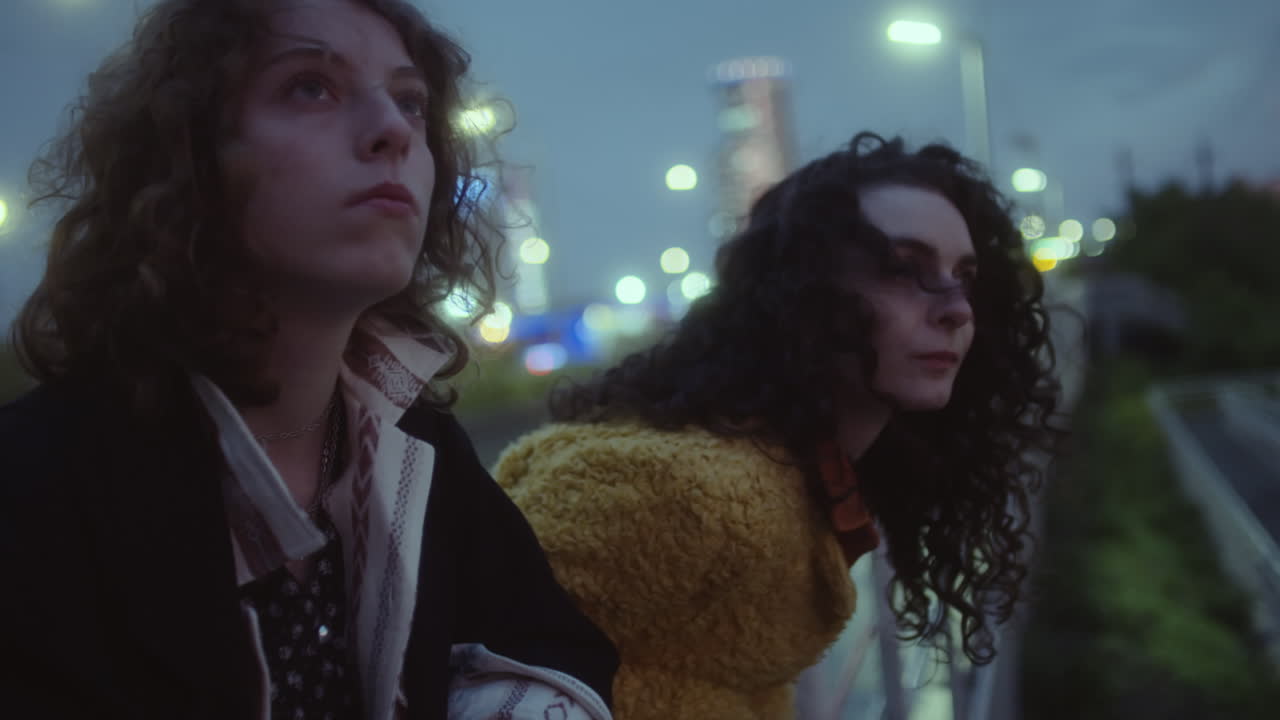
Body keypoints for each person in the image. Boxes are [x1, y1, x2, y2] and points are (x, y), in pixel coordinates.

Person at [0, 1, 617, 718]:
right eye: (310, 86)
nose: (393, 130)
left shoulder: (418, 450)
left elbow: (552, 646)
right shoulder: (37, 491)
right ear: (188, 154)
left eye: (411, 102)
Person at [494, 133, 1064, 719]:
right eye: (901, 269)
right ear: (803, 296)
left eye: (964, 276)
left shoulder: (804, 468)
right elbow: (479, 663)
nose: (957, 309)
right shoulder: (674, 490)